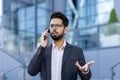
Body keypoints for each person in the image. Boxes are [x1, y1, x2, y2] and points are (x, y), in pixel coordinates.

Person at [27, 11, 94, 80]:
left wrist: (85, 71)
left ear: (65, 29)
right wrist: (42, 47)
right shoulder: (43, 51)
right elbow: (31, 72)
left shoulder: (76, 52)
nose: (54, 28)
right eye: (52, 26)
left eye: (58, 26)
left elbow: (86, 78)